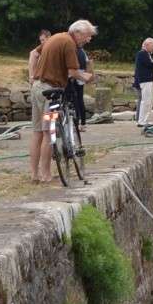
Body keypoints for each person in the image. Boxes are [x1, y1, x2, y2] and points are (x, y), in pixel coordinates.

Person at [29, 20, 97, 183]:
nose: (88, 40)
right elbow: (73, 72)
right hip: (50, 92)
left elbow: (33, 54)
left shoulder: (56, 37)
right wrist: (87, 77)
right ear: (78, 33)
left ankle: (34, 174)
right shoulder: (69, 43)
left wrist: (31, 76)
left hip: (37, 88)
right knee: (48, 132)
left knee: (37, 132)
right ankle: (46, 174)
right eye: (87, 36)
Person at [133, 37, 153, 129]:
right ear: (147, 45)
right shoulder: (142, 54)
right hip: (145, 81)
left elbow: (152, 65)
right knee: (145, 101)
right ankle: (141, 121)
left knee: (149, 101)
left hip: (147, 80)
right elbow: (152, 65)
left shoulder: (146, 54)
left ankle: (144, 120)